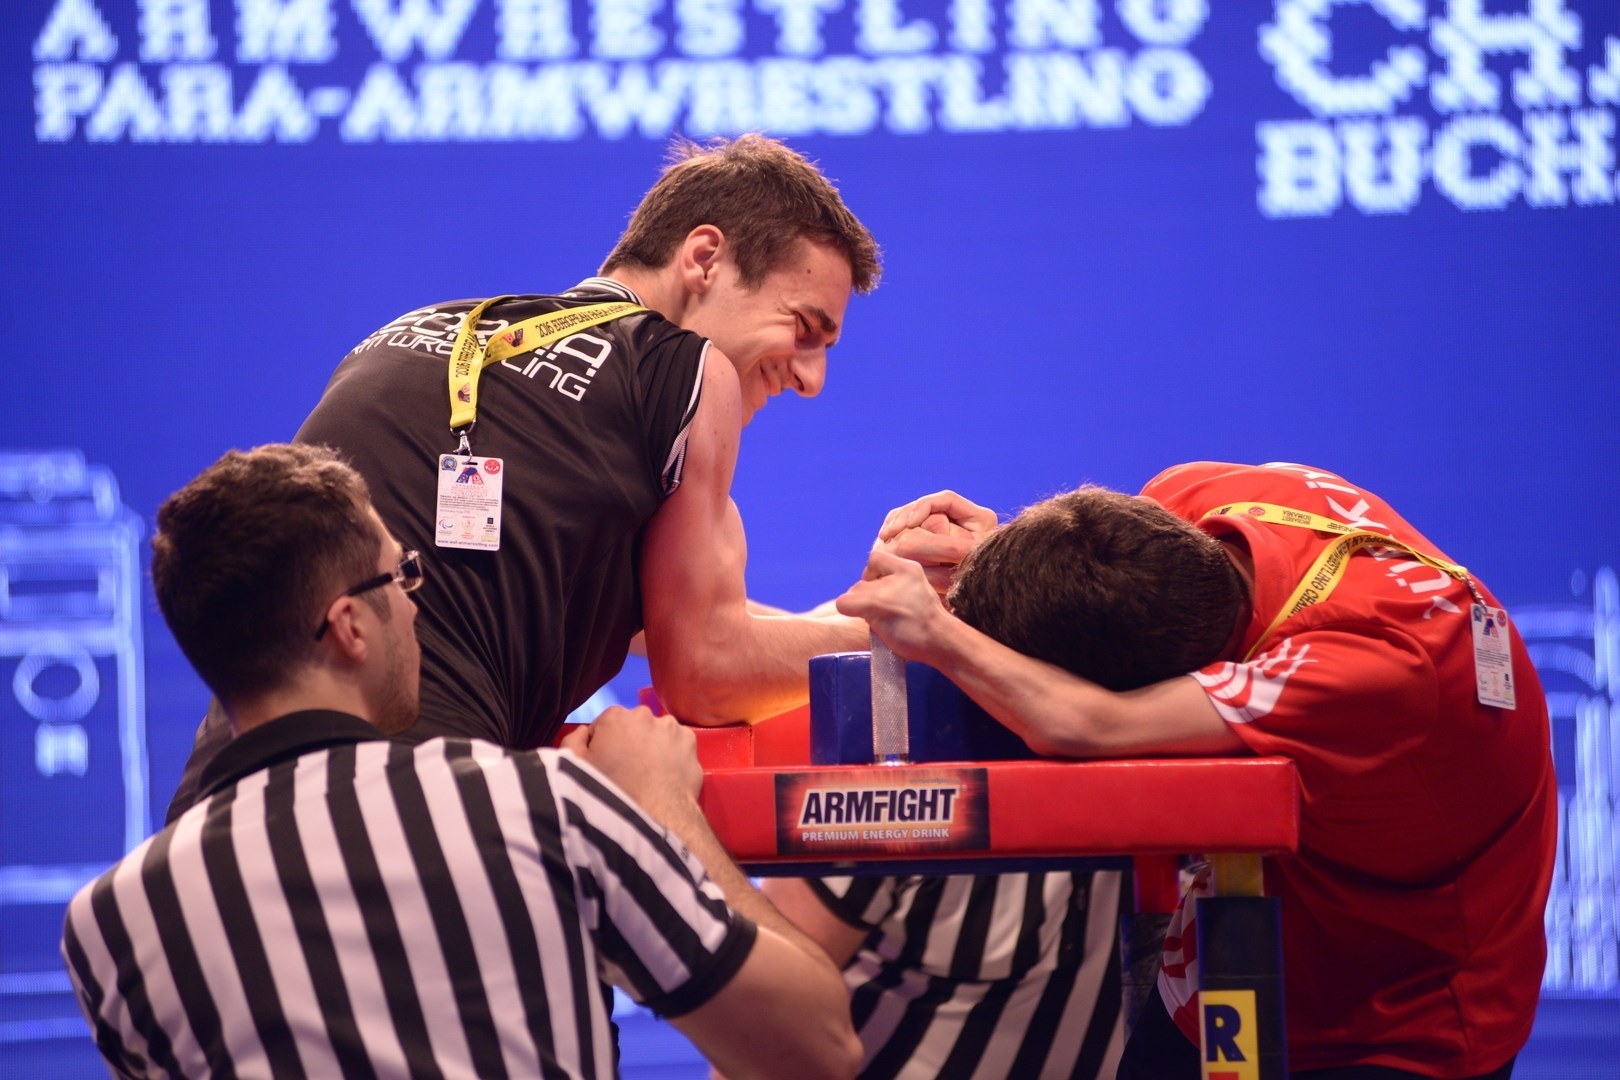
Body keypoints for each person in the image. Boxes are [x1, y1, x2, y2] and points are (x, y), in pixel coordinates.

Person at [62, 444, 860, 1079]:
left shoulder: (110, 924)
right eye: (403, 574)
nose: (417, 602)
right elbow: (816, 1044)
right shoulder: (538, 805)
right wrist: (664, 810)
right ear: (348, 626)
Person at [166, 134, 880, 821]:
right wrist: (903, 637)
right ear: (704, 258)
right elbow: (702, 669)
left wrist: (844, 619)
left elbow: (602, 605)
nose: (812, 378)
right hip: (407, 816)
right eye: (806, 327)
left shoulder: (412, 332)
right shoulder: (686, 371)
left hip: (213, 815)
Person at [836, 462, 1554, 1079]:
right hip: (1240, 937)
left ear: (1185, 678)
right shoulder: (1195, 502)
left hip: (1406, 1012)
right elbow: (1084, 569)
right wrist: (993, 554)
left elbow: (1086, 723)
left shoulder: (1378, 668)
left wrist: (938, 636)